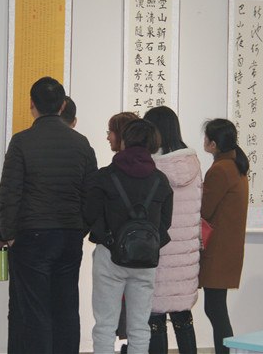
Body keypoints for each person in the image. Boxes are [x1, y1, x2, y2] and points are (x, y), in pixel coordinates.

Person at [0, 76, 97, 353]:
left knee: (33, 312)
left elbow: (9, 193)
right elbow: (91, 195)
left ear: (31, 104)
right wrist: (80, 228)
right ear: (63, 105)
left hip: (31, 236)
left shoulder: (21, 142)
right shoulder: (81, 143)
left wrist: (8, 235)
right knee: (66, 308)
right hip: (69, 236)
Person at [85, 119, 173, 354]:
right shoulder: (160, 180)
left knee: (105, 326)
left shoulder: (105, 176)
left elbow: (90, 214)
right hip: (146, 260)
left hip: (109, 257)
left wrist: (108, 239)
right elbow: (165, 223)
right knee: (140, 327)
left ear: (124, 140)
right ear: (153, 144)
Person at [143, 106, 202, 354]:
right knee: (183, 317)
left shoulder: (151, 166)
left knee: (155, 319)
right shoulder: (193, 164)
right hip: (186, 254)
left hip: (158, 250)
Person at [199, 118, 249, 354]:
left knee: (215, 309)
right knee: (216, 308)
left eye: (207, 137)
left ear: (214, 144)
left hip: (217, 251)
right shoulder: (235, 165)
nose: (204, 141)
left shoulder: (220, 170)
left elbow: (204, 210)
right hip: (227, 249)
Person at [105, 111, 140, 352]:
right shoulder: (152, 172)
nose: (108, 137)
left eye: (110, 131)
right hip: (144, 253)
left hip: (115, 253)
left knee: (108, 321)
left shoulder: (112, 172)